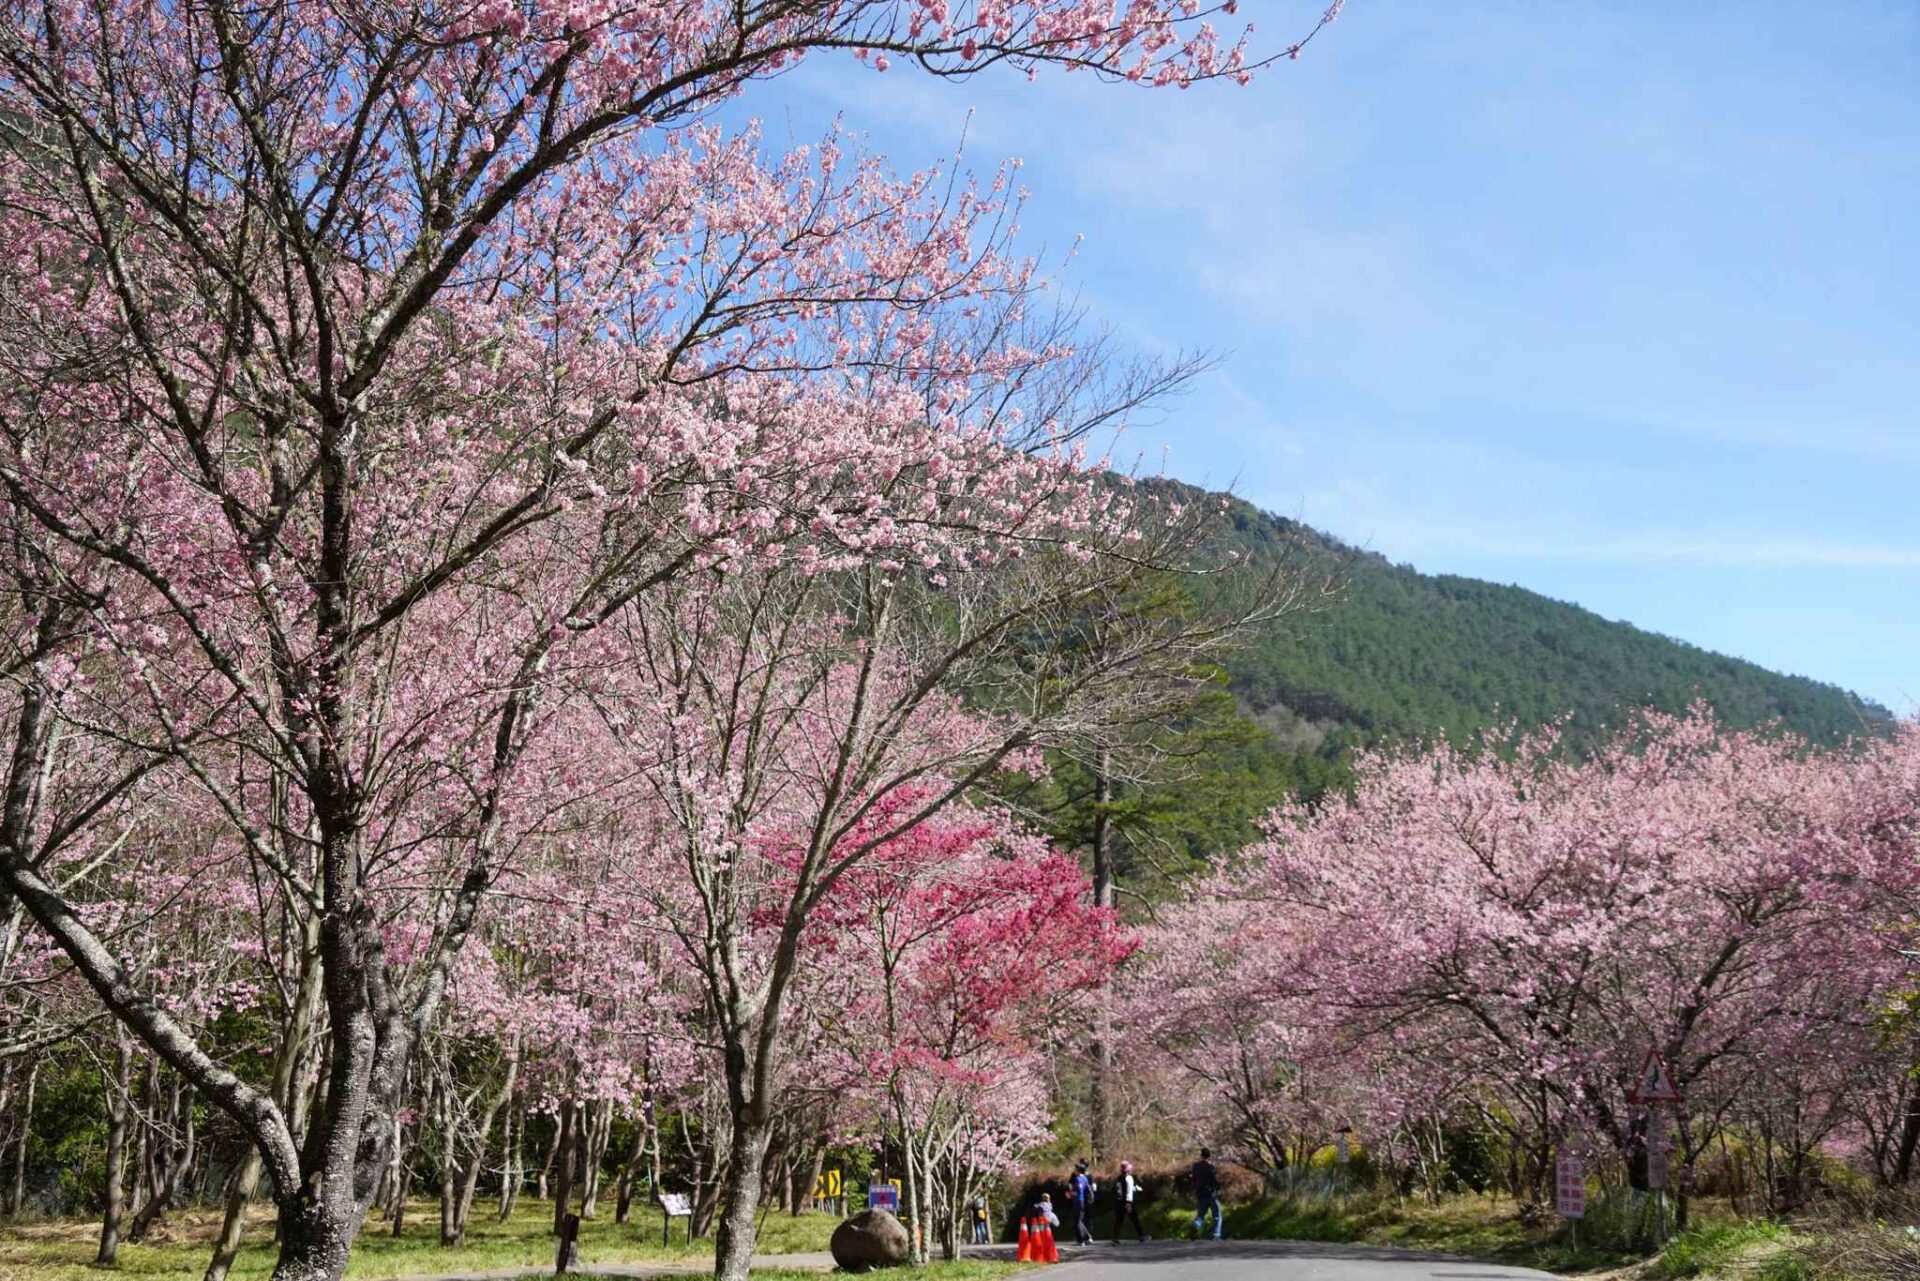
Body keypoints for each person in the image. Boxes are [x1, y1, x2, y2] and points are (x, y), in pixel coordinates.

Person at [1111, 1160, 1148, 1243]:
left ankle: (1115, 1237)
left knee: (1119, 1220)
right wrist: (1129, 1203)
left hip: (1119, 1202)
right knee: (1135, 1219)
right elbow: (1129, 1191)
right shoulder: (1129, 1178)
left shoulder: (1119, 1179)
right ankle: (1142, 1236)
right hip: (1127, 1202)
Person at [1191, 1146, 1223, 1240]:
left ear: (1201, 1155)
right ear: (1209, 1156)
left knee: (1201, 1214)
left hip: (1200, 1193)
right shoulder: (1210, 1167)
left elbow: (1194, 1179)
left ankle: (1196, 1225)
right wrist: (1218, 1189)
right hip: (1211, 1193)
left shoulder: (1196, 1166)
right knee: (1216, 1215)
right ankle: (1216, 1234)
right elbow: (1214, 1180)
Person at [1067, 1158, 1096, 1245]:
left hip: (1078, 1201)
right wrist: (1091, 1197)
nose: (1074, 1170)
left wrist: (1070, 1194)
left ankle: (1081, 1240)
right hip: (1083, 1201)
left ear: (1078, 1170)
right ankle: (1086, 1236)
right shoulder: (1085, 1178)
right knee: (1079, 1220)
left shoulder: (1078, 1179)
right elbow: (1090, 1189)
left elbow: (1077, 1191)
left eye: (1076, 1169)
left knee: (1077, 1221)